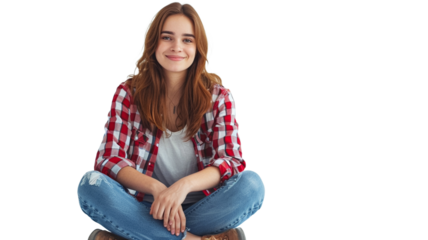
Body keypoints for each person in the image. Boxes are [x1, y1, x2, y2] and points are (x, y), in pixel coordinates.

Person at [76, 1, 265, 240]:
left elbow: (230, 161)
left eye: (187, 39)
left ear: (198, 47)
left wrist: (182, 187)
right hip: (144, 207)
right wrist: (158, 189)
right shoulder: (128, 92)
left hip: (204, 209)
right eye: (167, 37)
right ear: (154, 42)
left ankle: (135, 234)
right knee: (90, 184)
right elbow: (109, 160)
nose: (177, 47)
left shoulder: (219, 96)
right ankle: (193, 238)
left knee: (252, 185)